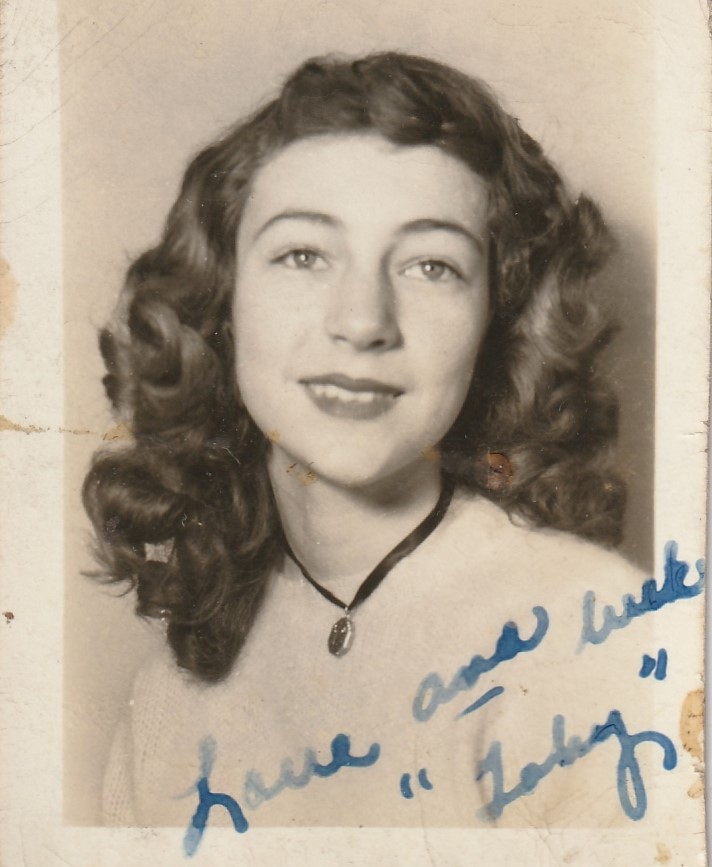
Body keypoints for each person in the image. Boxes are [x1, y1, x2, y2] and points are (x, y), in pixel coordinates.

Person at [82, 52, 672, 835]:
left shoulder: (596, 643)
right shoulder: (165, 699)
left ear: (497, 320)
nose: (362, 321)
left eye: (432, 264)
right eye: (303, 255)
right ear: (220, 301)